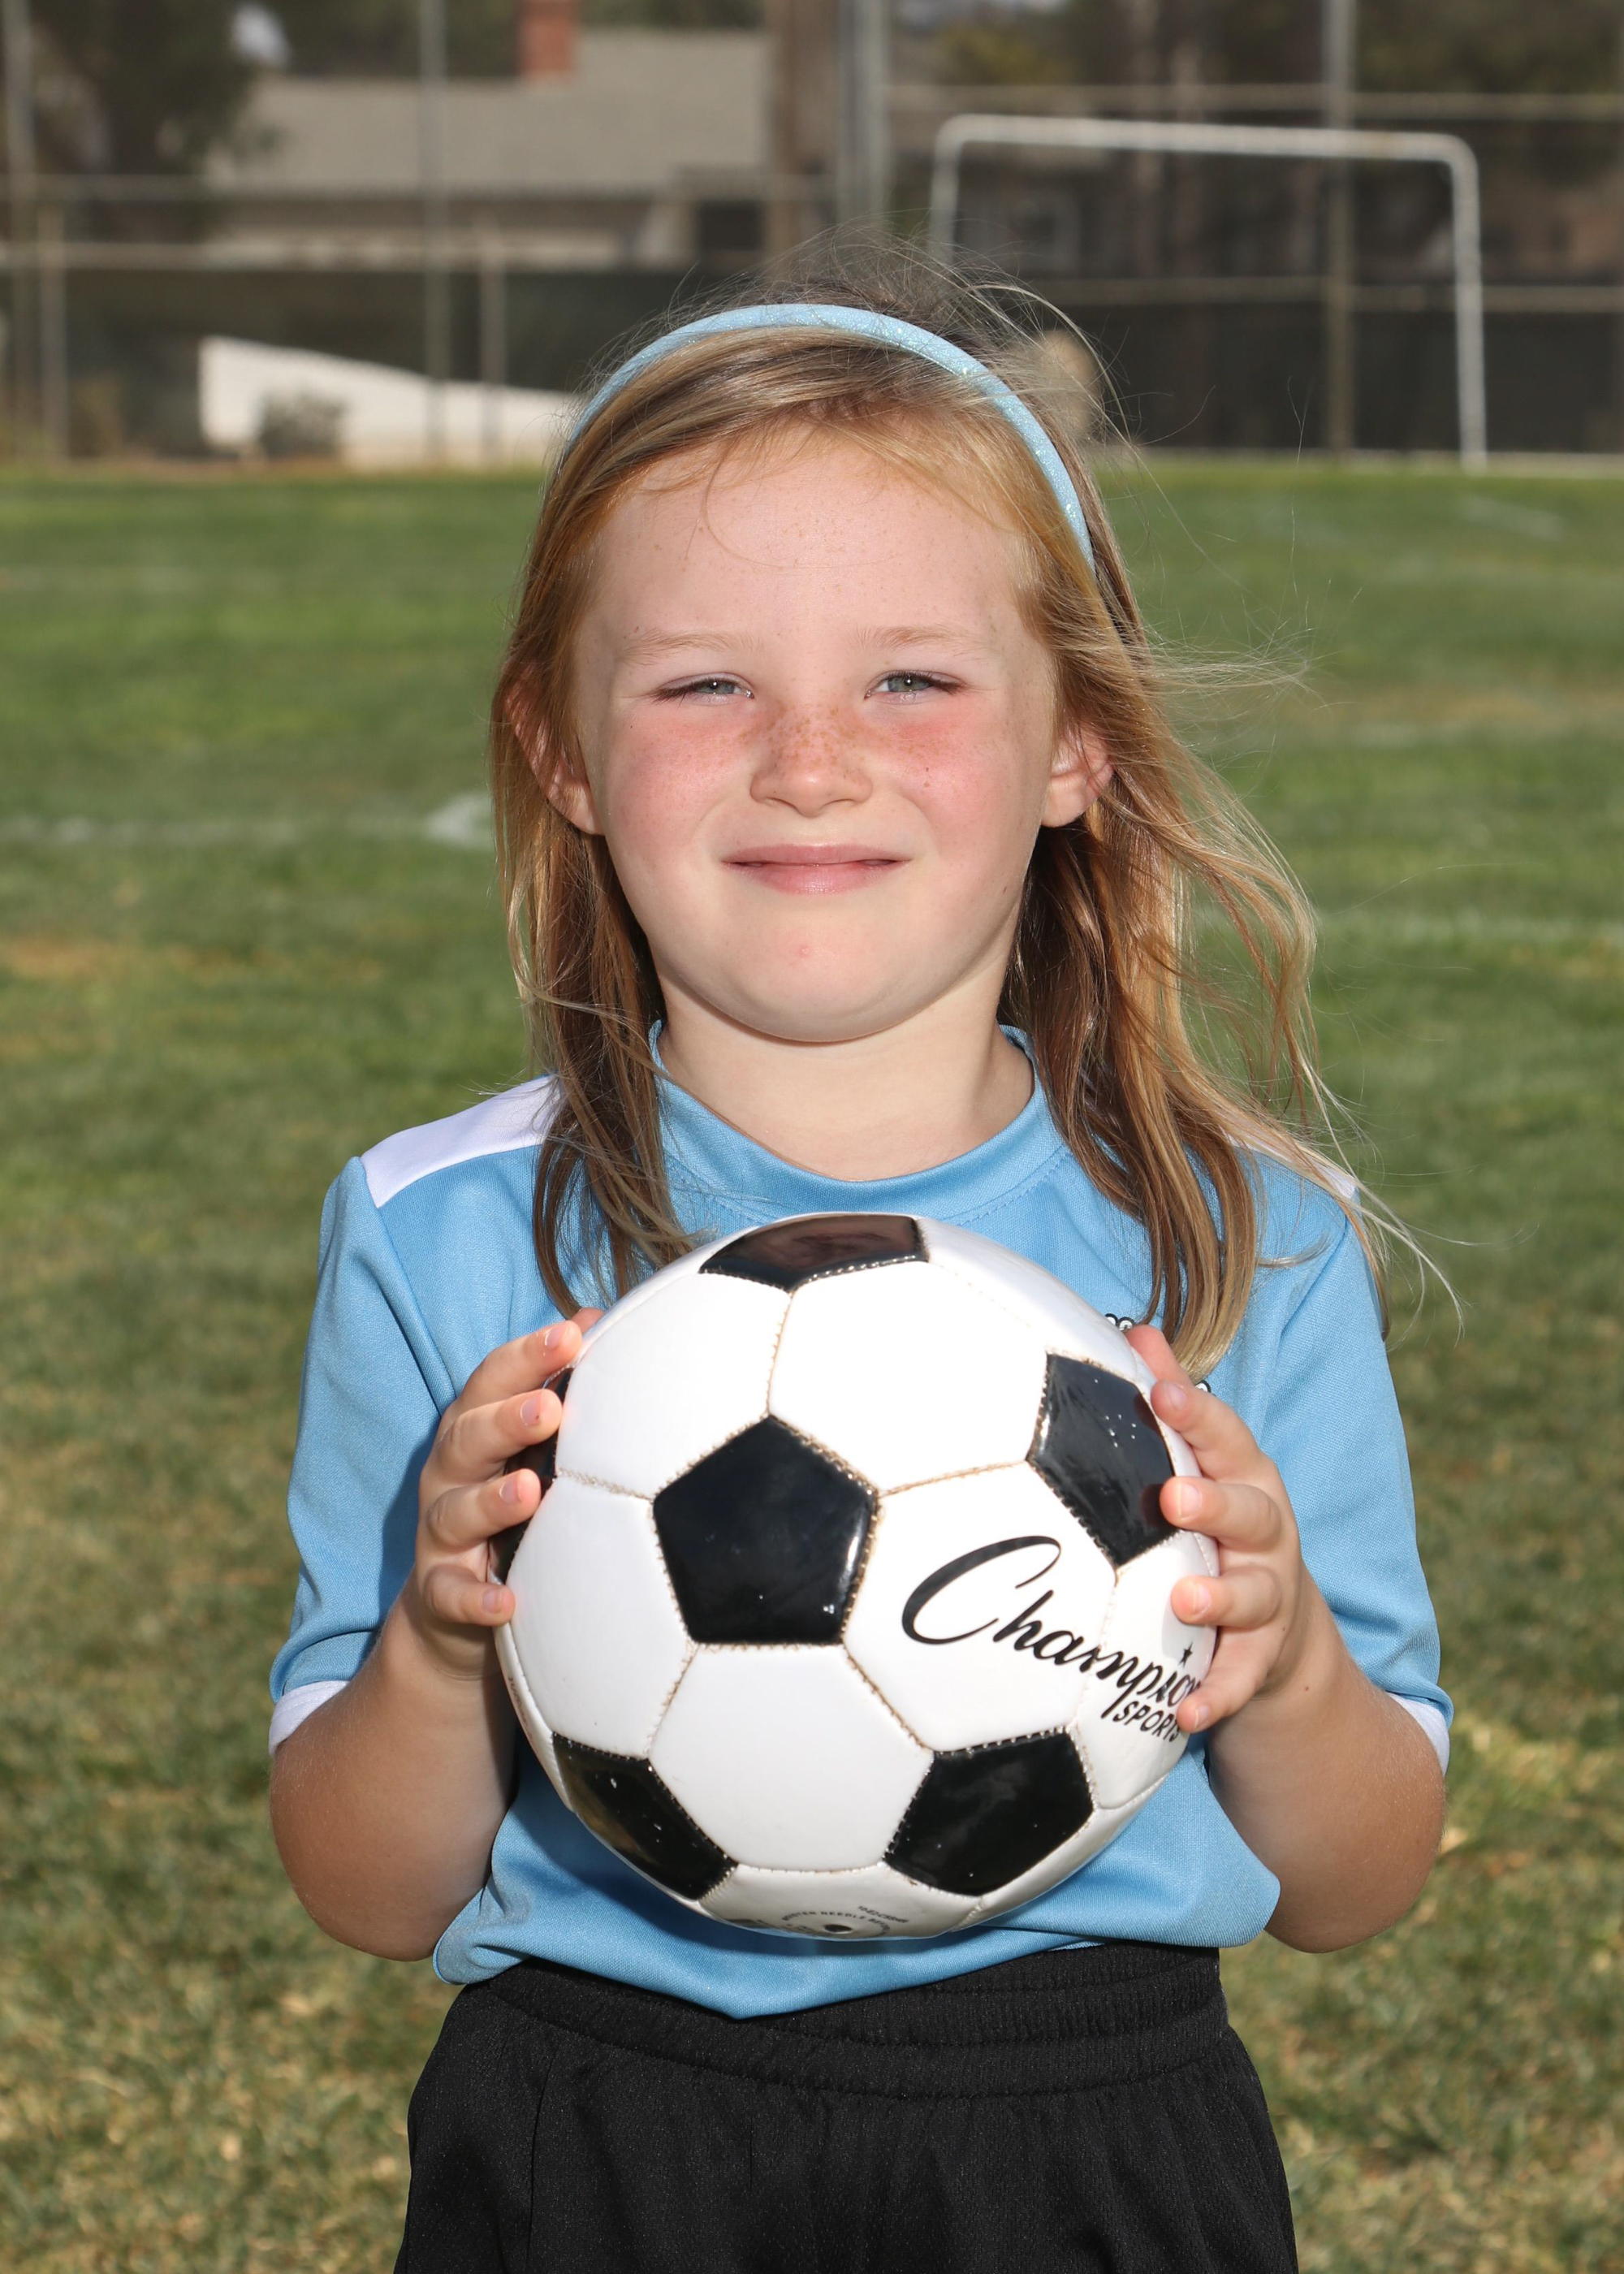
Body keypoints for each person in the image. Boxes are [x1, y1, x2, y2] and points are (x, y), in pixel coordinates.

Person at [268, 253, 1450, 2273]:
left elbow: (1358, 1878)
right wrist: (447, 1641)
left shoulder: (1244, 1240)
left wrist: (1289, 1659)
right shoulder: (437, 1230)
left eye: (910, 680)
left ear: (1076, 741)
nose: (808, 758)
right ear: (561, 747)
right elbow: (365, 1887)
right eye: (702, 682)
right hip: (593, 2125)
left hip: (1095, 2132)